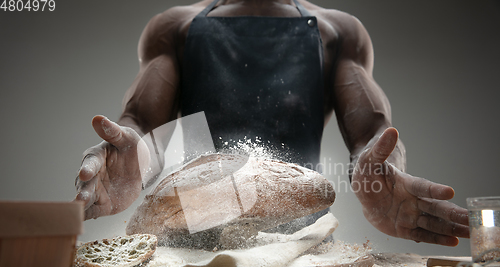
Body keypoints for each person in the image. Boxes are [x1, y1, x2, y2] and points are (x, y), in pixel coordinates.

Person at [75, 0, 469, 246]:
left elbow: (371, 135)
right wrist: (131, 158)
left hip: (298, 246)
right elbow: (144, 124)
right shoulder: (175, 28)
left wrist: (382, 169)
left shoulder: (338, 31)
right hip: (189, 242)